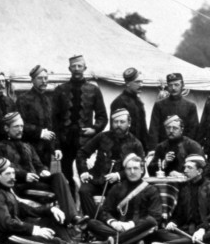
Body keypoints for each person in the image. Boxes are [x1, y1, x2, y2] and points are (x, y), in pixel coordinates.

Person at [0, 158, 115, 244]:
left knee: (54, 218)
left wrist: (50, 209)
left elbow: (27, 209)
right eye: (8, 174)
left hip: (17, 231)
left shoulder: (7, 191)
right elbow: (6, 224)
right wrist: (34, 230)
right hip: (8, 238)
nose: (12, 177)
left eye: (13, 173)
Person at [0, 112, 87, 226]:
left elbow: (38, 164)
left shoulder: (27, 145)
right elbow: (2, 171)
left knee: (58, 175)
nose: (20, 129)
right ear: (6, 128)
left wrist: (43, 170)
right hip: (19, 184)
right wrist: (24, 175)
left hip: (35, 181)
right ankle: (63, 221)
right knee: (57, 185)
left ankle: (73, 217)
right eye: (16, 126)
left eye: (21, 126)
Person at [52, 55, 108, 192]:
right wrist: (57, 145)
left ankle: (85, 207)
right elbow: (54, 119)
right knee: (68, 177)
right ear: (69, 68)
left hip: (86, 143)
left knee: (86, 175)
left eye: (79, 66)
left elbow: (102, 116)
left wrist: (94, 130)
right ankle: (71, 210)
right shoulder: (60, 90)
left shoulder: (93, 90)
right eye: (74, 66)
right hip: (66, 143)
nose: (77, 69)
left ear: (85, 68)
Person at [76, 109, 145, 218]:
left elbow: (142, 169)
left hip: (120, 183)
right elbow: (82, 153)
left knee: (118, 195)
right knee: (84, 190)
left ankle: (106, 223)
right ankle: (92, 223)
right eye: (115, 122)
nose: (118, 125)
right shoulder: (102, 136)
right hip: (97, 179)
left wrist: (118, 176)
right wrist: (84, 171)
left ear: (129, 123)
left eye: (122, 122)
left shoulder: (136, 144)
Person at [151, 155, 210, 244]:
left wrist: (202, 229)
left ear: (199, 171)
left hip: (206, 229)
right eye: (185, 167)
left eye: (189, 168)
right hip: (186, 230)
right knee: (159, 232)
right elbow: (179, 213)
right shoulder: (184, 188)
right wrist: (174, 222)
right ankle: (199, 243)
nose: (185, 170)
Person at [87, 154, 162, 244]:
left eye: (135, 168)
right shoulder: (116, 188)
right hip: (117, 227)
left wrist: (130, 225)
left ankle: (114, 241)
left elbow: (155, 216)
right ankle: (133, 242)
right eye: (129, 169)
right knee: (92, 223)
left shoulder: (151, 190)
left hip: (138, 228)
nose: (132, 171)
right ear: (125, 171)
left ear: (142, 170)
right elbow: (105, 211)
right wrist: (114, 223)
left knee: (151, 222)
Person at [16, 65, 61, 168]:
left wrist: (57, 148)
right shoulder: (23, 99)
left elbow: (54, 126)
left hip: (49, 150)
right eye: (40, 78)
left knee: (51, 177)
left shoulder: (48, 100)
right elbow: (20, 125)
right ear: (32, 80)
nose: (44, 81)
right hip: (31, 149)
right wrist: (40, 132)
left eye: (46, 78)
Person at [148, 73, 199, 152]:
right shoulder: (159, 105)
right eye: (170, 85)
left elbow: (193, 131)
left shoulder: (190, 106)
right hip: (163, 149)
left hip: (183, 150)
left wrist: (188, 149)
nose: (173, 88)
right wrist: (153, 151)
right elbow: (154, 130)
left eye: (176, 85)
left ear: (182, 85)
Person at [110, 67, 149, 153]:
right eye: (137, 82)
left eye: (142, 82)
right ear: (128, 83)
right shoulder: (119, 102)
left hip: (139, 148)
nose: (141, 85)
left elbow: (143, 128)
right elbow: (116, 130)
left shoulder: (138, 102)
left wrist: (146, 148)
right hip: (124, 149)